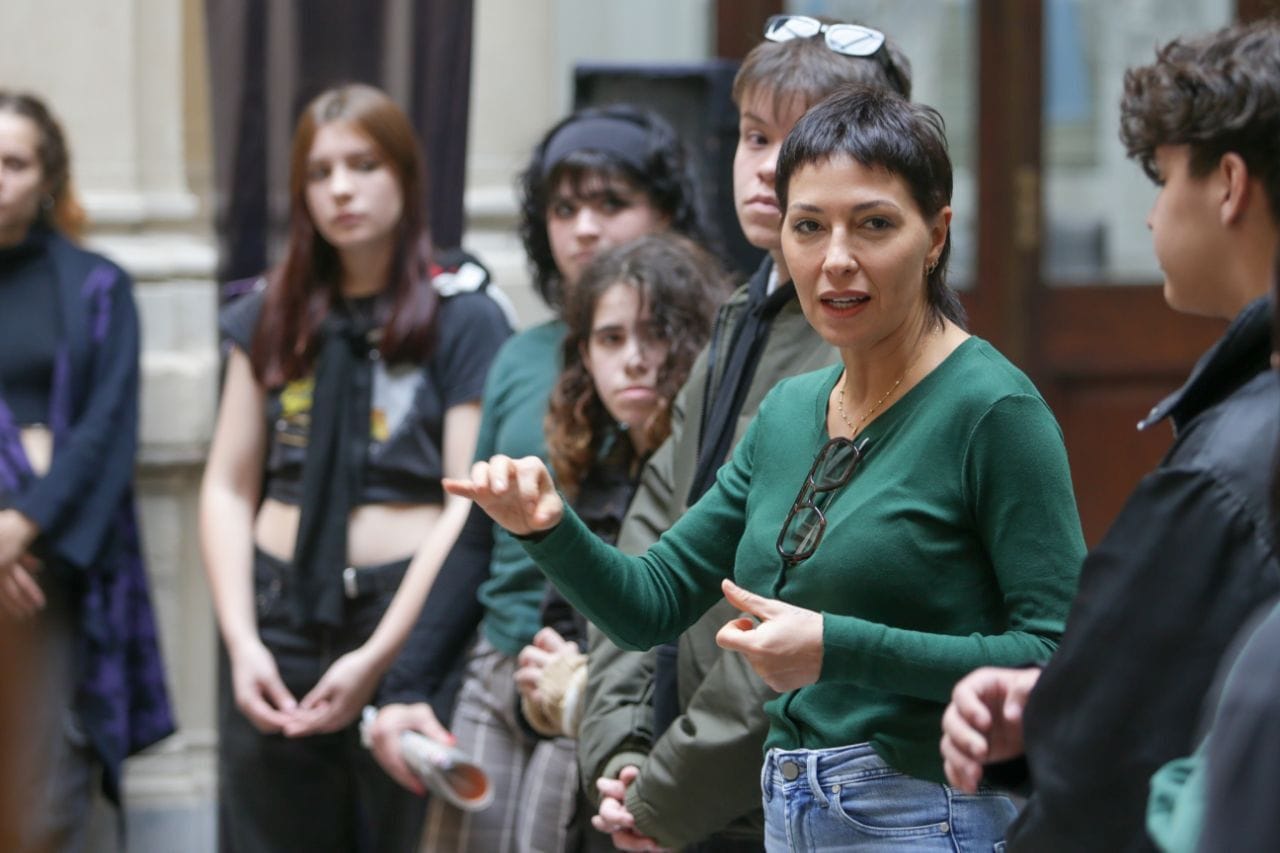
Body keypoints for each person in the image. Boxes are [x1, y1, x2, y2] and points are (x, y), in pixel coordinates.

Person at [451, 87, 1087, 853]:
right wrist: (548, 527)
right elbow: (650, 602)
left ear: (936, 235)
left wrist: (837, 646)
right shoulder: (790, 410)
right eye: (809, 226)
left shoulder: (992, 409)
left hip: (931, 813)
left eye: (875, 224)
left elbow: (1057, 655)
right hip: (789, 808)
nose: (837, 258)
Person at [939, 20, 1280, 853]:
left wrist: (1069, 723)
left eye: (1163, 180)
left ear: (1229, 183)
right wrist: (1056, 700)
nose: (1159, 212)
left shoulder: (1233, 468)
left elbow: (1102, 770)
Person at [579, 17, 916, 851]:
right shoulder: (744, 308)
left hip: (810, 789)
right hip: (695, 782)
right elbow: (655, 524)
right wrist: (620, 740)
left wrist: (668, 789)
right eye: (754, 136)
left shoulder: (874, 345)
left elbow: (797, 591)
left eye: (800, 140)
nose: (768, 166)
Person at [368, 104, 717, 853]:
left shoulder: (693, 368)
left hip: (602, 665)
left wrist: (598, 683)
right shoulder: (522, 357)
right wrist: (401, 684)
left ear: (665, 212)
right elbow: (472, 534)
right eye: (564, 209)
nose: (585, 228)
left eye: (611, 203)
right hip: (501, 656)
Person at [201, 83, 511, 852]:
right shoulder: (270, 311)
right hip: (277, 614)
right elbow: (227, 484)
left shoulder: (461, 312)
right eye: (320, 171)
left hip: (403, 617)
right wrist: (242, 643)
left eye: (364, 164)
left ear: (404, 175)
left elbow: (465, 502)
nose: (341, 187)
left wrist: (382, 659)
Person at [0, 91, 174, 850]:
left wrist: (19, 528)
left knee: (44, 806)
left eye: (13, 162)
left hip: (54, 572)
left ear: (48, 178)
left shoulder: (99, 285)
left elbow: (106, 429)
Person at [516, 233, 730, 849]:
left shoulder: (711, 468)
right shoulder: (597, 468)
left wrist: (581, 695)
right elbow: (551, 643)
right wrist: (541, 691)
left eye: (657, 334)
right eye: (611, 339)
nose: (634, 360)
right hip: (605, 768)